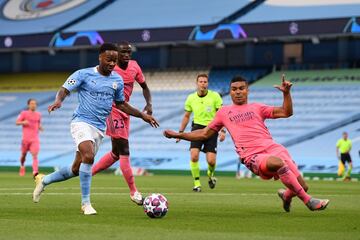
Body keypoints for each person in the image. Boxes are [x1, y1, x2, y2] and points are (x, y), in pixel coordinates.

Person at [164, 75, 330, 212]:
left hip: (273, 148)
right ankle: (308, 202)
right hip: (252, 155)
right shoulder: (224, 112)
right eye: (234, 89)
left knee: (302, 186)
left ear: (247, 90)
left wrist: (286, 93)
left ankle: (286, 196)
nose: (238, 92)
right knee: (279, 165)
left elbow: (287, 112)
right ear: (230, 92)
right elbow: (204, 133)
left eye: (241, 88)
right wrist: (179, 134)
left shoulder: (257, 107)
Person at [32, 43, 159, 215]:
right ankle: (86, 204)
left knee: (76, 169)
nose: (112, 64)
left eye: (114, 61)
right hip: (81, 122)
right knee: (89, 156)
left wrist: (142, 115)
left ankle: (44, 180)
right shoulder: (83, 74)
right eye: (109, 60)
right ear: (100, 57)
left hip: (99, 128)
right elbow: (65, 88)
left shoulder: (117, 80)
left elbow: (121, 104)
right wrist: (59, 101)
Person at [91, 41, 153, 205]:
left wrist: (149, 104)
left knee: (116, 153)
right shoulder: (110, 69)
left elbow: (145, 87)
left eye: (128, 53)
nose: (126, 55)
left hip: (126, 110)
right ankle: (134, 192)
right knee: (124, 149)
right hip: (112, 110)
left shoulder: (134, 67)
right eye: (123, 52)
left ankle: (88, 174)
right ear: (116, 54)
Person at [177, 74, 225, 192]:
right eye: (201, 81)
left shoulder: (215, 96)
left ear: (208, 83)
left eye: (205, 81)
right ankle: (197, 184)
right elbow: (186, 116)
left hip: (211, 129)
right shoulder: (191, 98)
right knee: (194, 156)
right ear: (197, 83)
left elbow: (221, 115)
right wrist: (180, 133)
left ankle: (210, 175)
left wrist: (222, 131)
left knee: (211, 161)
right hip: (197, 128)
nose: (203, 83)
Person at [16, 99, 44, 177]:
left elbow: (38, 123)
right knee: (23, 155)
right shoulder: (24, 113)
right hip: (25, 139)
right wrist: (23, 122)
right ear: (28, 105)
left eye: (35, 104)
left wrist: (40, 127)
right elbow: (17, 122)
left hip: (35, 139)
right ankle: (22, 166)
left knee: (35, 155)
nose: (33, 105)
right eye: (32, 103)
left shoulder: (38, 114)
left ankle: (35, 172)